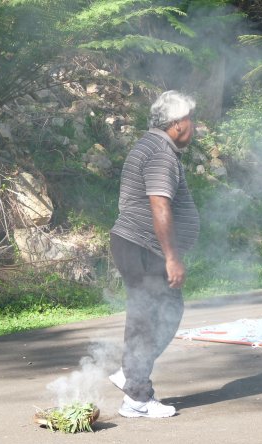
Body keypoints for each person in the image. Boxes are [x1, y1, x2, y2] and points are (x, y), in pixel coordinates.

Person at [109, 90, 200, 418]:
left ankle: (130, 372)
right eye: (191, 119)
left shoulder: (151, 145)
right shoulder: (161, 153)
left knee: (155, 313)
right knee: (153, 316)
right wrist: (172, 257)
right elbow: (159, 204)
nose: (194, 126)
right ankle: (137, 398)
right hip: (144, 248)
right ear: (176, 124)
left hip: (136, 245)